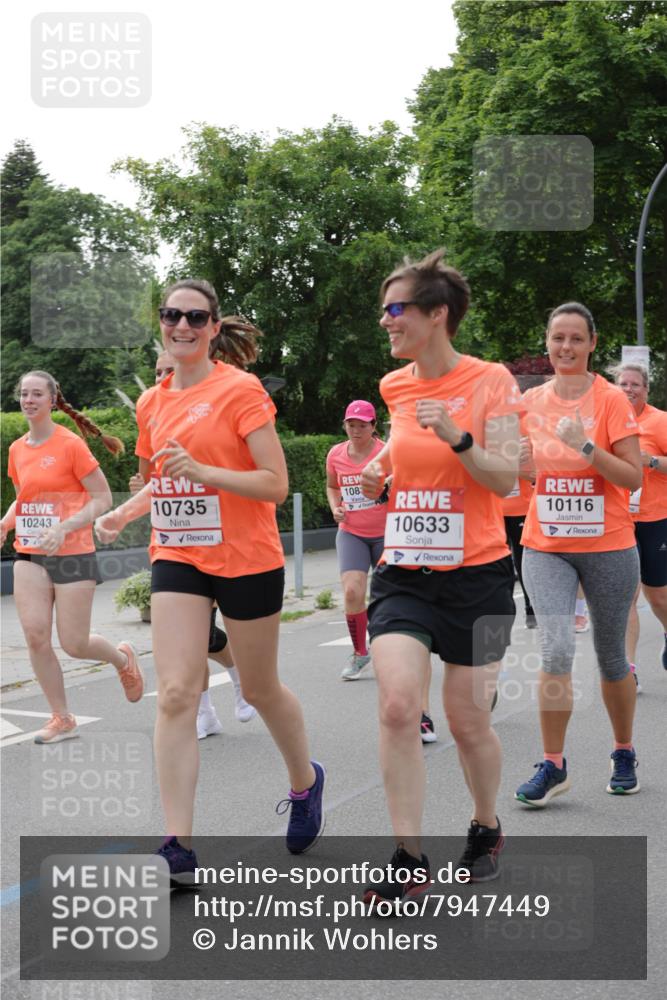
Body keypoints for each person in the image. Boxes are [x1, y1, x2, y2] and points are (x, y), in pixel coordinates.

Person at [95, 279, 324, 882]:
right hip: (178, 553)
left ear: (214, 328)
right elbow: (163, 479)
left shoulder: (240, 390)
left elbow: (274, 483)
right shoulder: (152, 402)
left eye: (196, 317)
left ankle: (305, 781)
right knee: (175, 692)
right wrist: (125, 511)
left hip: (247, 555)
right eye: (172, 315)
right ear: (162, 322)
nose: (183, 325)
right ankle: (178, 846)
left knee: (261, 685)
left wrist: (205, 470)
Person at [360, 249, 521, 902]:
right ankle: (407, 858)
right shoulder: (394, 387)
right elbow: (407, 465)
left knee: (466, 721)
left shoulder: (494, 382)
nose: (385, 321)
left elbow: (505, 476)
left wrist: (459, 436)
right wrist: (384, 478)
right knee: (399, 704)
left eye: (395, 309)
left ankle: (484, 826)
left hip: (479, 579)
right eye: (384, 310)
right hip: (403, 574)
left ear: (436, 315)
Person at [515, 303, 642, 807]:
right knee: (556, 649)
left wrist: (587, 447)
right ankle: (553, 763)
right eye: (556, 338)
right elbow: (505, 476)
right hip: (546, 545)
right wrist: (515, 466)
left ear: (592, 344)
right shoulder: (529, 402)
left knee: (612, 658)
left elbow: (633, 476)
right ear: (546, 343)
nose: (564, 347)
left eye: (575, 339)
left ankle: (624, 749)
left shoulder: (611, 401)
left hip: (608, 544)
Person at [0, 371, 144, 744]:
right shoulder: (17, 449)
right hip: (30, 550)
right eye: (24, 394)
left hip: (73, 552)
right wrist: (5, 523)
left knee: (74, 643)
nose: (28, 400)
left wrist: (64, 527)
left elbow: (103, 499)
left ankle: (121, 658)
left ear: (52, 400)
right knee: (35, 637)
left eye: (36, 394)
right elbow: (25, 497)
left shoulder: (70, 445)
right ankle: (61, 717)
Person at [128, 349, 255, 739]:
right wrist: (137, 493)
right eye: (157, 371)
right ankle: (205, 711)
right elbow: (150, 480)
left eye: (169, 369)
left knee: (205, 638)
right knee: (194, 640)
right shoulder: (151, 411)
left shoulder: (216, 409)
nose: (163, 376)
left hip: (223, 542)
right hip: (175, 545)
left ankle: (241, 683)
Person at [612, 363, 667, 682]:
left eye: (635, 384)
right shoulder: (607, 418)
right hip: (619, 520)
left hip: (655, 519)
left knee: (657, 595)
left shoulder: (659, 421)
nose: (629, 389)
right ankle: (627, 668)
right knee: (626, 595)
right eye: (623, 383)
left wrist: (651, 461)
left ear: (646, 389)